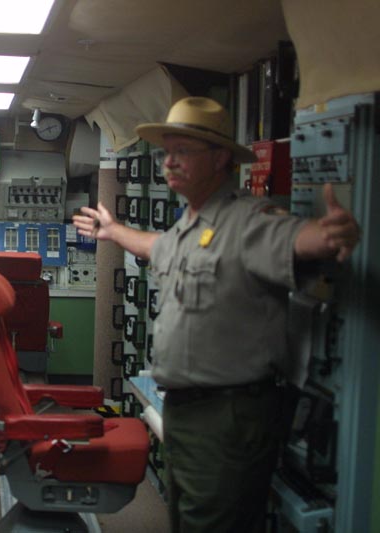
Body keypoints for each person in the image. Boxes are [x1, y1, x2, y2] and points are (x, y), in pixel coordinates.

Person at [73, 96, 360, 533]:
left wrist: (331, 234)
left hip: (227, 417)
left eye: (183, 151)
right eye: (166, 152)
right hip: (188, 412)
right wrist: (113, 231)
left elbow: (298, 238)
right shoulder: (191, 224)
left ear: (221, 157)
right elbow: (157, 247)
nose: (169, 162)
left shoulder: (248, 220)